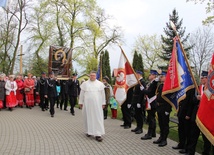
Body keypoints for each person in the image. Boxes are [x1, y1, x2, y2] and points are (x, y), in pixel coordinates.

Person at [185, 71, 211, 155]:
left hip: (205, 116)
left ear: (208, 78)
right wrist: (196, 99)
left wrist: (202, 99)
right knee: (193, 135)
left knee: (206, 137)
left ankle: (206, 152)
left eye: (204, 78)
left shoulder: (210, 89)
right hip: (196, 115)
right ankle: (191, 151)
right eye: (201, 78)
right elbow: (192, 101)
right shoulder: (198, 88)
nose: (202, 79)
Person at [79, 71, 106, 142]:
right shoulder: (85, 84)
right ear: (89, 76)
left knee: (98, 118)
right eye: (91, 75)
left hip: (97, 105)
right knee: (87, 117)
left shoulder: (100, 84)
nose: (92, 77)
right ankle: (89, 131)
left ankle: (98, 134)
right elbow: (81, 94)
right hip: (87, 105)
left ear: (96, 76)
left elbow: (103, 95)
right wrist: (81, 102)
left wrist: (103, 103)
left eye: (93, 75)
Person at [172, 88, 195, 154]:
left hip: (186, 113)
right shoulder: (183, 88)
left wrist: (188, 114)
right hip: (181, 112)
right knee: (181, 129)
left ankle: (186, 147)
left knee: (187, 131)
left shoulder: (191, 89)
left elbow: (190, 103)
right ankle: (181, 144)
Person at [153, 71, 172, 147]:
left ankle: (164, 139)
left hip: (165, 107)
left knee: (165, 124)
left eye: (162, 76)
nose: (161, 78)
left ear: (166, 77)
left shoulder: (168, 86)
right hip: (159, 106)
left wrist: (168, 110)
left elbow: (169, 99)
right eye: (160, 76)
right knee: (160, 123)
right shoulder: (160, 85)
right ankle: (161, 137)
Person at [140, 69, 159, 140]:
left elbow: (150, 93)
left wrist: (143, 90)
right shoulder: (151, 83)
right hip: (150, 102)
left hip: (152, 102)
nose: (149, 75)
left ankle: (150, 133)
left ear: (154, 76)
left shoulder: (154, 83)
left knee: (151, 119)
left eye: (151, 74)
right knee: (151, 118)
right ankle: (153, 133)